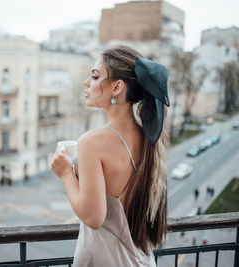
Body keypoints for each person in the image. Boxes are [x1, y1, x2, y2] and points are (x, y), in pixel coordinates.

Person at [51, 46, 169, 266]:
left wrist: (66, 173)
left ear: (117, 87)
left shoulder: (92, 142)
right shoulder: (148, 138)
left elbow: (93, 218)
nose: (87, 82)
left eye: (95, 76)